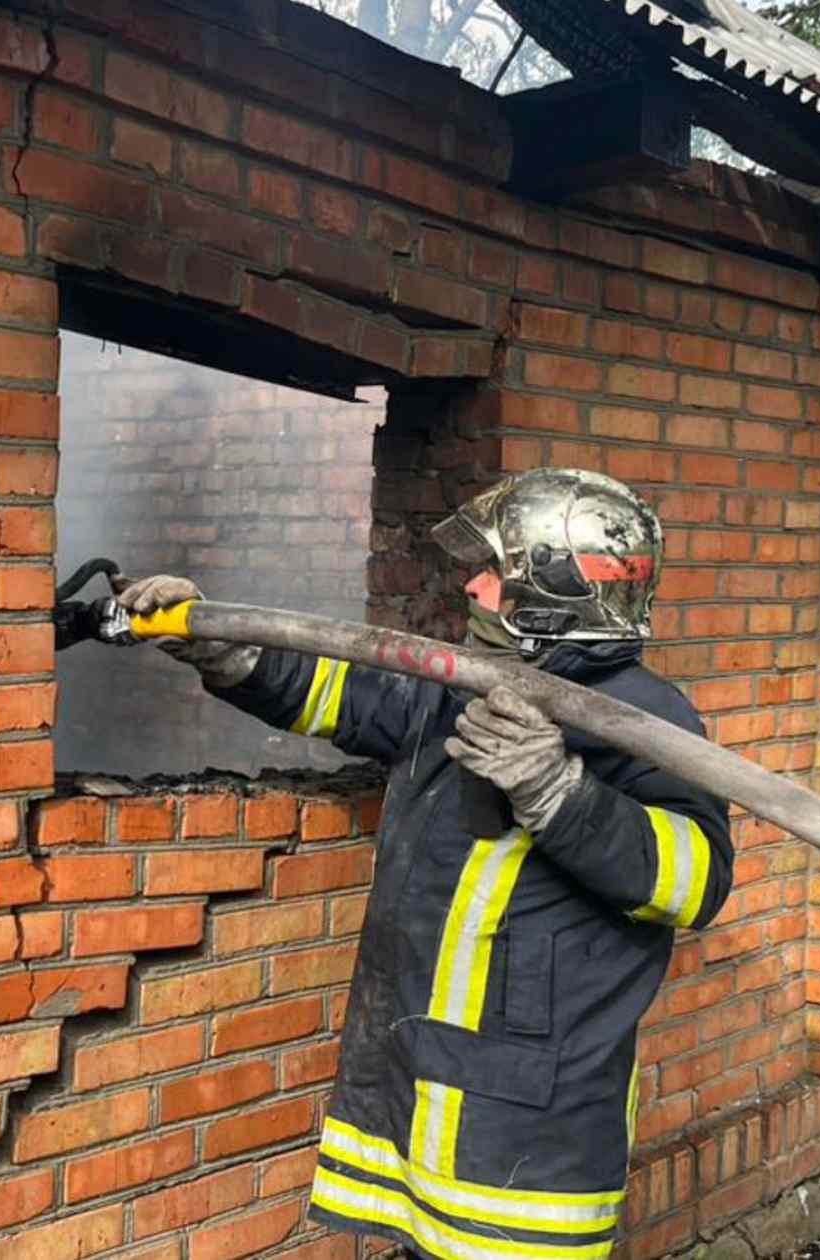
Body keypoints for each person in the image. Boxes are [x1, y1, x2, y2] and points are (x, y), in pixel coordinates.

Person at [117, 468, 734, 1260]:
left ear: (557, 589)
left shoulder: (644, 715)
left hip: (530, 1134)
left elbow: (694, 880)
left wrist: (561, 794)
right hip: (424, 1094)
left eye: (496, 571)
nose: (473, 585)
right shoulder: (468, 684)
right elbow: (347, 693)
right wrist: (228, 650)